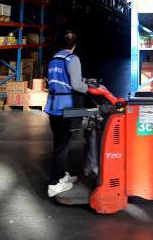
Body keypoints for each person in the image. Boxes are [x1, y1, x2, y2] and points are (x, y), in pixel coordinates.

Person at [45, 31, 88, 197]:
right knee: (62, 146)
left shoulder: (53, 59)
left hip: (52, 105)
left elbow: (54, 81)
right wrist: (87, 87)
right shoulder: (72, 59)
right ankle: (54, 183)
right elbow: (76, 85)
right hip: (65, 107)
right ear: (74, 46)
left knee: (59, 142)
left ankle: (62, 175)